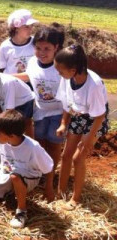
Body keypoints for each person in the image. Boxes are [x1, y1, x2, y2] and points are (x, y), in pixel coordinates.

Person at [0, 110, 53, 229]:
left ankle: (21, 211)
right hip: (7, 175)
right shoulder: (3, 142)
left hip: (28, 177)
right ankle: (8, 192)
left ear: (11, 136)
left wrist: (48, 189)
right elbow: (4, 165)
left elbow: (49, 167)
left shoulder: (33, 147)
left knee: (15, 176)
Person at [14, 24, 66, 201]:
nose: (42, 52)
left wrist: (65, 120)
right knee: (41, 145)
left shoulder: (60, 67)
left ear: (56, 48)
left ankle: (49, 184)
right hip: (40, 112)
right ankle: (41, 176)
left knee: (54, 145)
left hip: (58, 113)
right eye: (38, 48)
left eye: (47, 49)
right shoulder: (32, 63)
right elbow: (28, 76)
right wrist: (4, 77)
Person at [55, 44, 109, 210]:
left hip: (95, 120)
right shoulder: (68, 79)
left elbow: (100, 115)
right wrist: (64, 123)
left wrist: (88, 138)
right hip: (79, 116)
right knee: (66, 156)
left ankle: (75, 199)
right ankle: (60, 192)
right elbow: (67, 103)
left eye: (60, 71)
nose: (58, 74)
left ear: (73, 70)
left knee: (78, 158)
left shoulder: (94, 85)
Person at [0, 9, 38, 74]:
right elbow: (1, 69)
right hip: (11, 83)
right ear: (16, 28)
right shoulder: (5, 46)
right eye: (26, 27)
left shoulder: (36, 43)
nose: (30, 29)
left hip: (30, 83)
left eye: (31, 26)